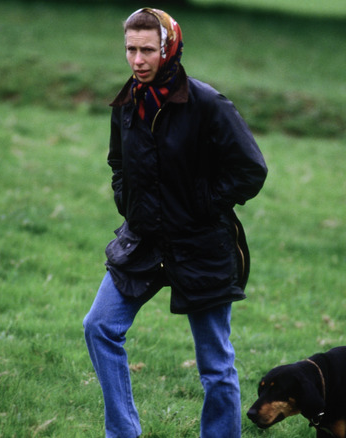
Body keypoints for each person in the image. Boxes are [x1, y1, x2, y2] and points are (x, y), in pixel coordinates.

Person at [83, 7, 267, 438]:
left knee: (215, 364)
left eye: (147, 49)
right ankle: (122, 432)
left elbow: (250, 169)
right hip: (143, 241)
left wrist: (201, 204)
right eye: (130, 49)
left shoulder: (207, 104)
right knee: (99, 327)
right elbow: (118, 162)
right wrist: (128, 202)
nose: (137, 60)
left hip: (202, 246)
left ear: (169, 48)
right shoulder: (127, 101)